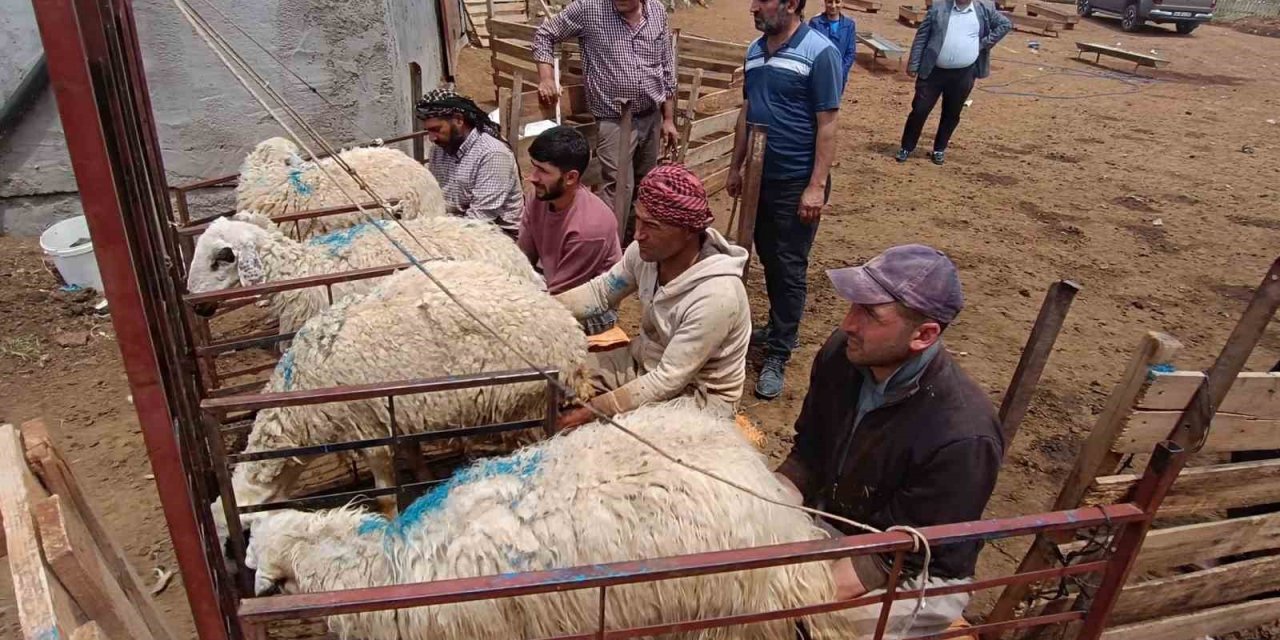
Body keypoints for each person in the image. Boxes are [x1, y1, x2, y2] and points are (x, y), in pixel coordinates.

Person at [773, 244, 1003, 637]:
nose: (848, 324)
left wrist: (784, 603)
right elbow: (808, 455)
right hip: (838, 525)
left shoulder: (963, 434)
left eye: (870, 314)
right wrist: (761, 510)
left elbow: (895, 554)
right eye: (853, 305)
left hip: (915, 568)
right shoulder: (842, 355)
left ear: (923, 335)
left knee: (792, 627)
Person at [553, 164, 751, 431]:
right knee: (555, 383)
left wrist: (593, 410)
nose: (638, 234)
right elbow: (601, 293)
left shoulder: (717, 296)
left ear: (688, 230)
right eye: (639, 219)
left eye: (652, 226)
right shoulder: (645, 254)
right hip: (642, 363)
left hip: (697, 395)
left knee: (608, 441)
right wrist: (542, 310)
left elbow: (668, 380)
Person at [728, 0, 842, 400]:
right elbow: (747, 111)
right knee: (764, 253)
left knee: (788, 265)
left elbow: (827, 124)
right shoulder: (754, 50)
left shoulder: (820, 52)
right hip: (759, 178)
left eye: (763, 0)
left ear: (792, 3)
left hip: (796, 180)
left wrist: (816, 186)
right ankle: (776, 328)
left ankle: (779, 351)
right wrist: (736, 166)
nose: (753, 7)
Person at [532, 0, 680, 243]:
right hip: (614, 119)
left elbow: (666, 68)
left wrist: (669, 118)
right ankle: (609, 249)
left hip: (650, 116)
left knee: (646, 185)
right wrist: (546, 78)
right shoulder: (589, 8)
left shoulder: (657, 12)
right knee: (619, 188)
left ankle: (634, 246)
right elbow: (545, 34)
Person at [517, 126, 624, 335]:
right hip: (552, 285)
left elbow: (563, 297)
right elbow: (522, 259)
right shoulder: (539, 197)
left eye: (543, 171)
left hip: (591, 308)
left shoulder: (590, 228)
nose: (533, 177)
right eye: (534, 167)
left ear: (570, 177)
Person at [894, 0, 1011, 165]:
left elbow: (1005, 24)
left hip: (964, 74)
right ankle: (906, 147)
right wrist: (913, 64)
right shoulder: (939, 7)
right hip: (933, 71)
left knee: (952, 113)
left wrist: (984, 43)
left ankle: (939, 149)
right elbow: (921, 37)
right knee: (920, 109)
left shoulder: (984, 9)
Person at [416, 88, 524, 237]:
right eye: (428, 131)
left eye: (436, 129)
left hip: (496, 234)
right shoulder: (439, 150)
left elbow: (481, 218)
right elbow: (438, 199)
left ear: (459, 120)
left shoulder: (492, 154)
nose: (431, 138)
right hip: (453, 226)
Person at [808, 0, 857, 94]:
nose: (833, 6)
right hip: (819, 76)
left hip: (839, 76)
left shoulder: (849, 25)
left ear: (842, 3)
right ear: (825, 2)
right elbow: (811, 50)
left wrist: (840, 72)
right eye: (830, 2)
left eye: (837, 2)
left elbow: (850, 52)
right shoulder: (816, 23)